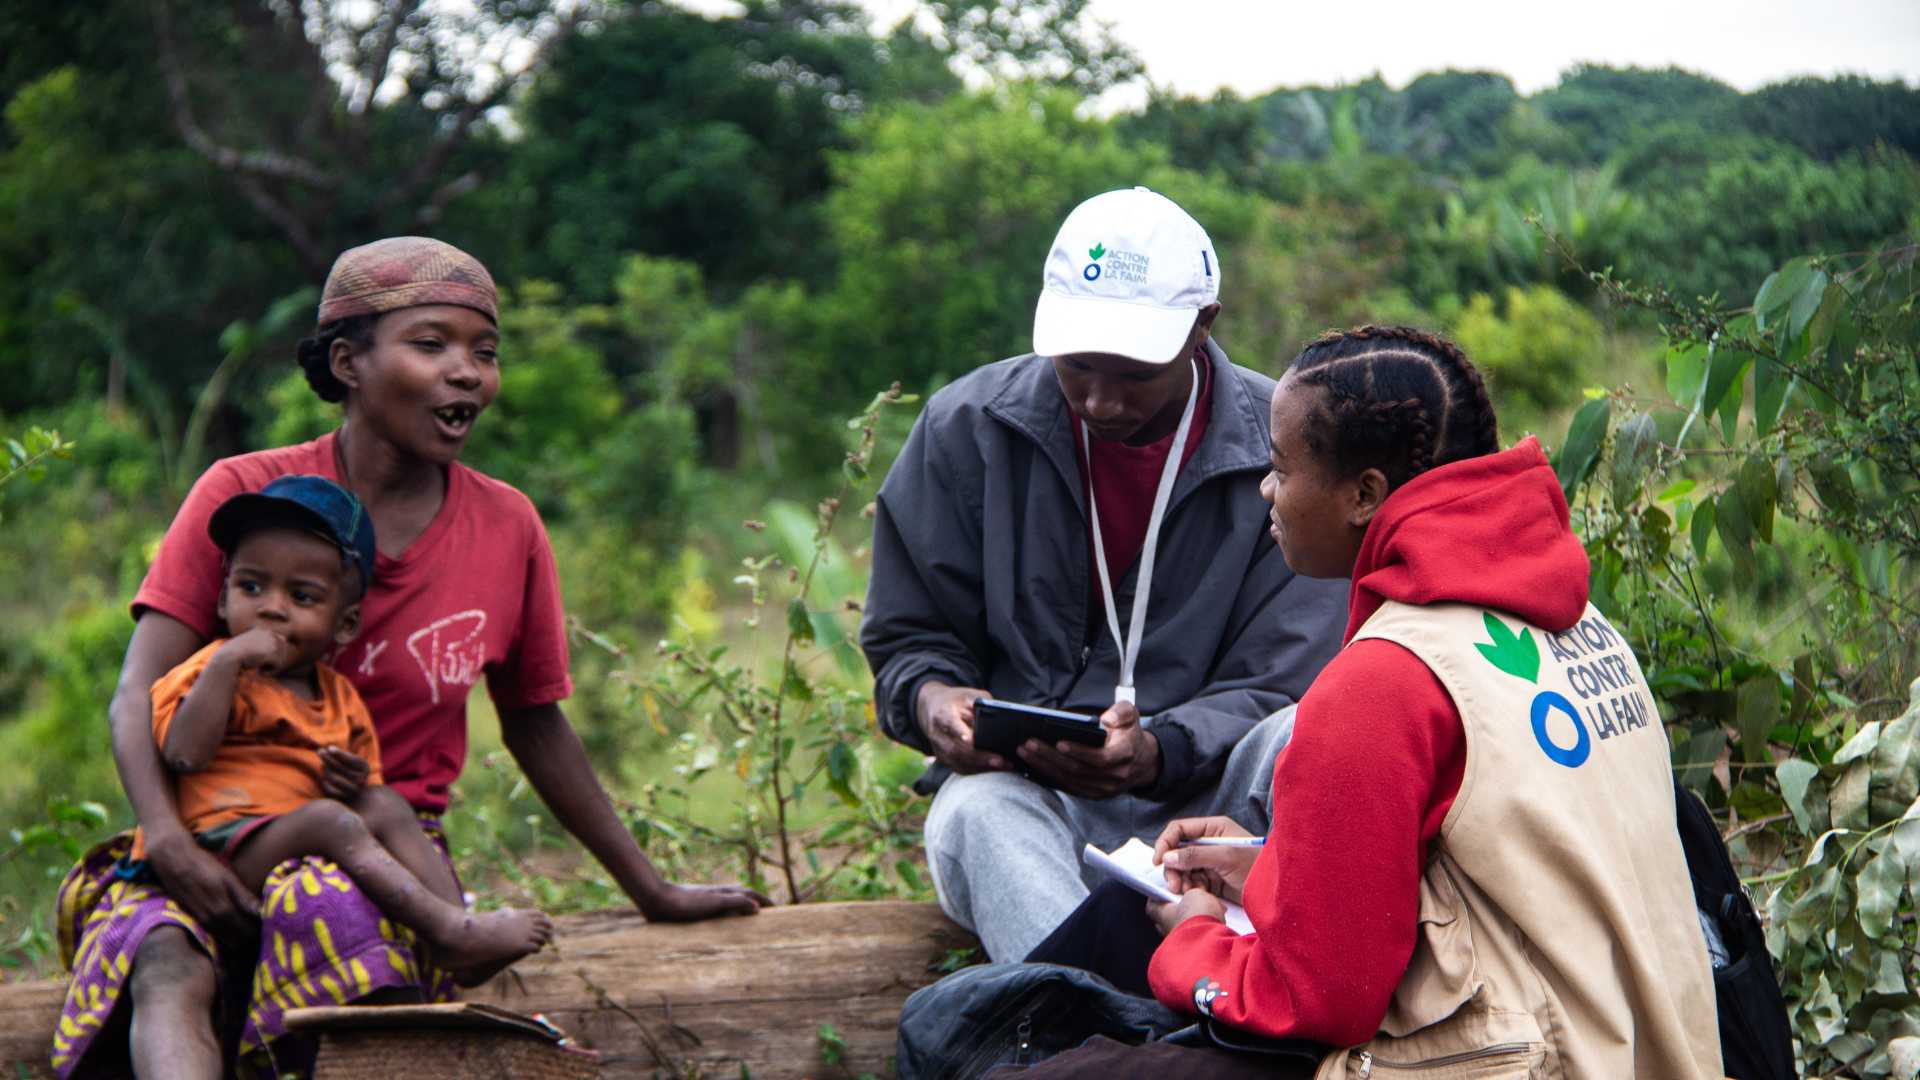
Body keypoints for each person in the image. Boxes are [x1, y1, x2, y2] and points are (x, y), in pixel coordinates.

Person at [53, 237, 768, 1080]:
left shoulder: (507, 528)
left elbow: (536, 721)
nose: (467, 371)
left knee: (331, 941)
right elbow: (139, 687)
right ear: (350, 361)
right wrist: (168, 841)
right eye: (432, 344)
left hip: (388, 859)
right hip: (211, 836)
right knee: (164, 959)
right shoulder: (246, 497)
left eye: (485, 352)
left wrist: (652, 889)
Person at [1015, 326, 1721, 1077]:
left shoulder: (1384, 679)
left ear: (1365, 495)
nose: (1266, 491)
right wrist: (1273, 868)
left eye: (1281, 468)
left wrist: (1193, 935)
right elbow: (1498, 870)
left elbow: (1321, 999)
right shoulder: (1580, 624)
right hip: (1647, 1043)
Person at [860, 187, 1346, 963]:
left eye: (1132, 371)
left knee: (1305, 737)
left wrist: (1159, 751)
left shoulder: (1286, 450)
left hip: (1216, 803)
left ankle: (1141, 1013)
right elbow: (909, 633)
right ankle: (1103, 1030)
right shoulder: (968, 429)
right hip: (1038, 806)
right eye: (1077, 364)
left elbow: (1288, 680)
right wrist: (933, 700)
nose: (1099, 398)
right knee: (976, 812)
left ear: (1201, 327)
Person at [130, 475, 553, 983]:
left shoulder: (338, 698)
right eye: (251, 587)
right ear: (221, 601)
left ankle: (461, 925)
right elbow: (184, 755)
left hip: (297, 835)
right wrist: (227, 664)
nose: (271, 607)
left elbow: (363, 796)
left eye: (302, 597)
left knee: (387, 804)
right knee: (333, 822)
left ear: (345, 627)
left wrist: (351, 780)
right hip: (221, 848)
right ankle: (446, 931)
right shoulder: (205, 672)